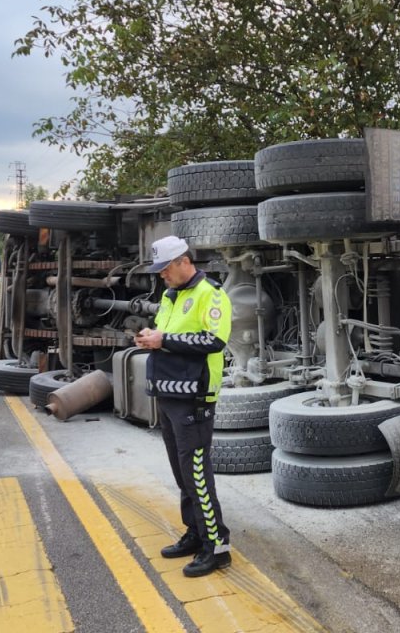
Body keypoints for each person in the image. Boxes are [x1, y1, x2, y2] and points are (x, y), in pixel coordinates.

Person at [135, 235, 234, 577]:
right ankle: (195, 533)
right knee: (182, 473)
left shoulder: (211, 293)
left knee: (197, 474)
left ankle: (216, 545)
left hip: (195, 396)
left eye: (165, 270)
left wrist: (164, 340)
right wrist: (152, 336)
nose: (162, 276)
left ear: (183, 262)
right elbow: (168, 334)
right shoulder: (171, 295)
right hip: (170, 392)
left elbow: (215, 340)